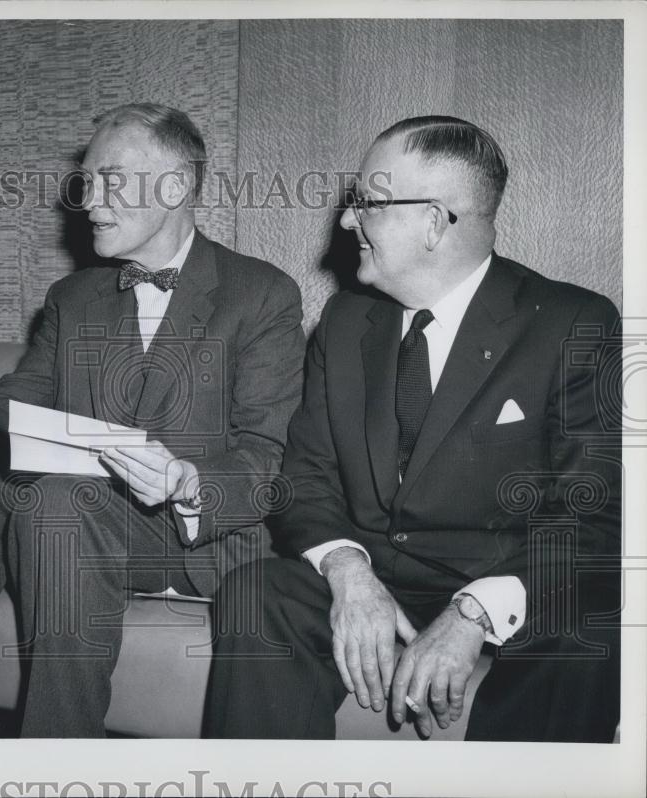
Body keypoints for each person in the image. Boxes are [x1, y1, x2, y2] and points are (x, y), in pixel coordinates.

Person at [0, 103, 306, 737]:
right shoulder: (73, 298)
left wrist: (186, 480)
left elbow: (266, 459)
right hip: (71, 519)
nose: (89, 201)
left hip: (185, 537)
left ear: (177, 186)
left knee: (60, 502)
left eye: (110, 179)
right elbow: (11, 408)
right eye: (86, 181)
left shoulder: (261, 294)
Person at [204, 116, 622, 742]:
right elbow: (306, 477)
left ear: (433, 221)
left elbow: (595, 515)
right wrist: (348, 572)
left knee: (590, 625)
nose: (347, 222)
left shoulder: (572, 323)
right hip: (378, 573)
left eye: (366, 203)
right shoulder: (347, 321)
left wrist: (473, 613)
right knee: (260, 591)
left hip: (508, 579)